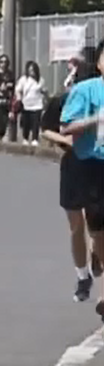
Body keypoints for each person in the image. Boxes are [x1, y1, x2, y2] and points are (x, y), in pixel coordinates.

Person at [40, 47, 103, 302]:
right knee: (76, 226)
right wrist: (68, 141)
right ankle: (82, 274)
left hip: (96, 165)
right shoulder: (66, 98)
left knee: (96, 225)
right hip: (74, 165)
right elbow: (49, 129)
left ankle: (96, 257)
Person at [59, 44, 104, 322]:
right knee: (86, 228)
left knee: (99, 231)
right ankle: (85, 276)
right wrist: (95, 119)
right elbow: (65, 128)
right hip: (88, 165)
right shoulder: (85, 91)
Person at [15, 61, 46, 145]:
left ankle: (34, 139)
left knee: (36, 123)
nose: (31, 72)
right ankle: (25, 138)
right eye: (30, 70)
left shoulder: (40, 80)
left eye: (33, 70)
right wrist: (19, 99)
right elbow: (18, 89)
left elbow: (42, 91)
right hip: (26, 104)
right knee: (26, 123)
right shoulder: (24, 79)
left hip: (37, 104)